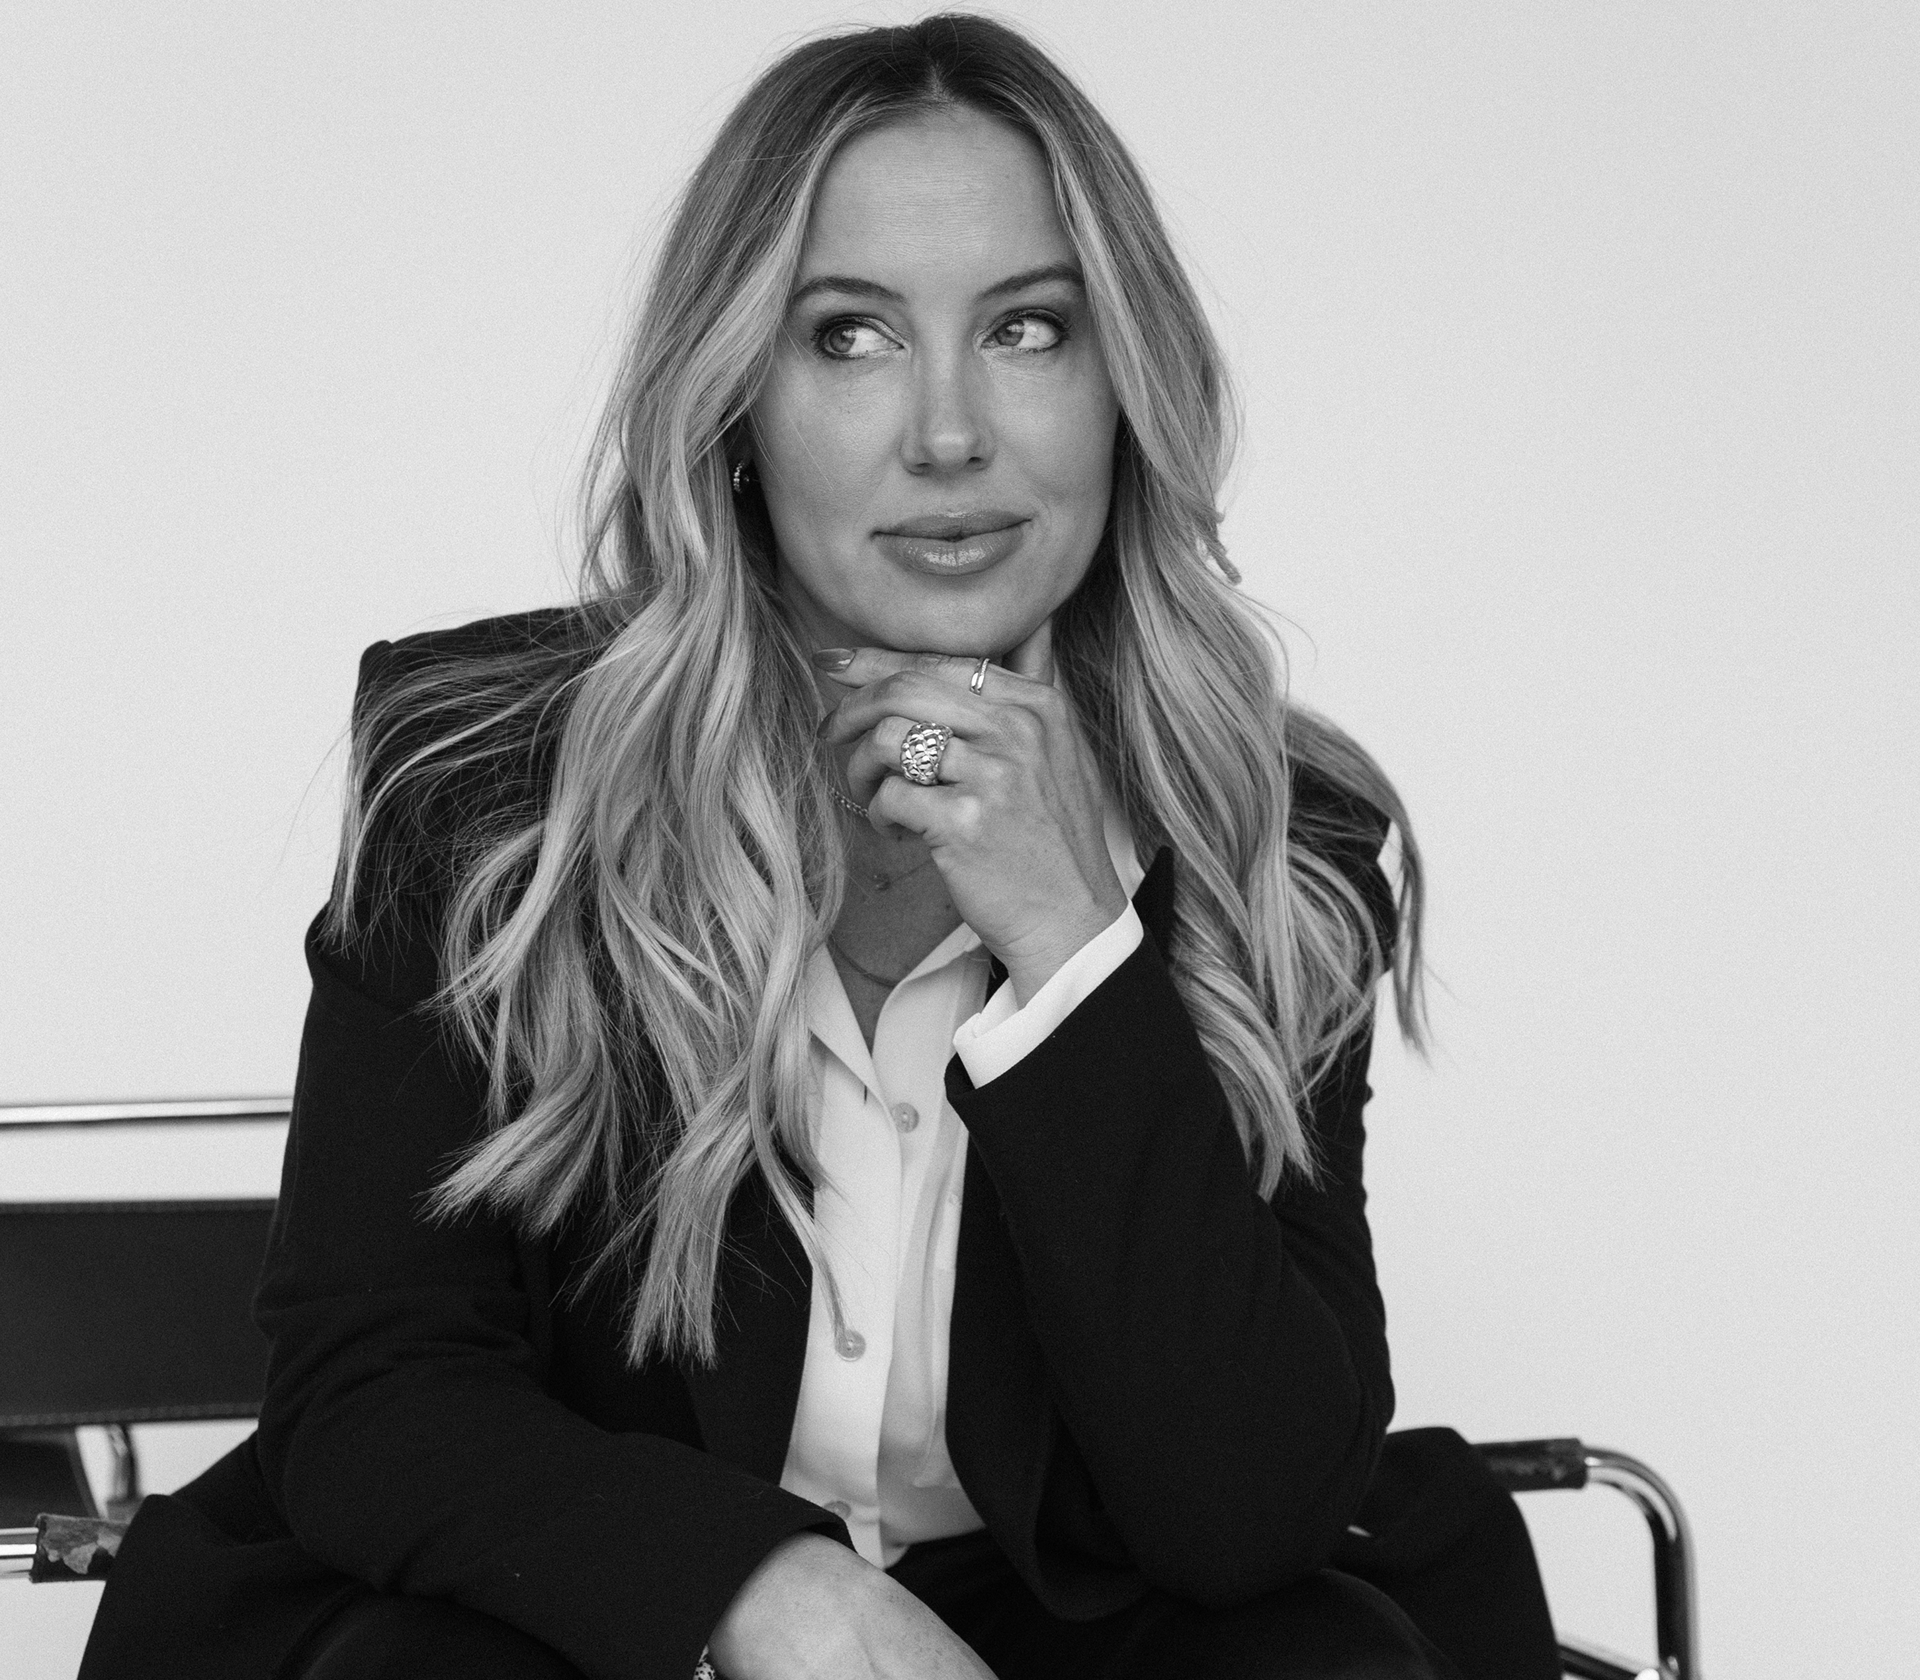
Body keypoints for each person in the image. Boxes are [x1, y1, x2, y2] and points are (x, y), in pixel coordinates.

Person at [80, 15, 1560, 1680]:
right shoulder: (488, 784)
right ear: (736, 401)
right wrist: (760, 1587)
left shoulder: (1280, 844)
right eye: (849, 336)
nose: (948, 434)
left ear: (1123, 381)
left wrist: (1078, 949)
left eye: (1027, 330)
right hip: (583, 1612)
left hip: (1063, 1612)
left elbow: (1249, 1508)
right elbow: (376, 1387)